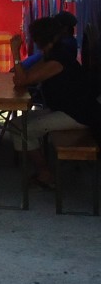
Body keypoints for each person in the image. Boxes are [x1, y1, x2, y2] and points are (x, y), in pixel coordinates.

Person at [9, 15, 101, 190]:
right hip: (65, 109)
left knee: (21, 129)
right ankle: (44, 171)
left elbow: (21, 81)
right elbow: (24, 78)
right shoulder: (52, 54)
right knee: (17, 123)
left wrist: (15, 53)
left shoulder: (57, 60)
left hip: (78, 114)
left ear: (39, 39)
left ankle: (46, 174)